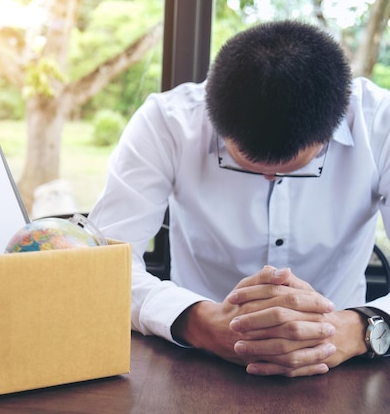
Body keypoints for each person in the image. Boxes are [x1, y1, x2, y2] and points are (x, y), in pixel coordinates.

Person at [88, 20, 390, 377]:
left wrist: (358, 330)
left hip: (347, 365)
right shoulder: (165, 122)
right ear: (213, 118)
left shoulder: (379, 122)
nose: (268, 178)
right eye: (247, 166)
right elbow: (101, 266)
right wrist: (197, 321)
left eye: (291, 169)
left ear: (331, 131)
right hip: (191, 362)